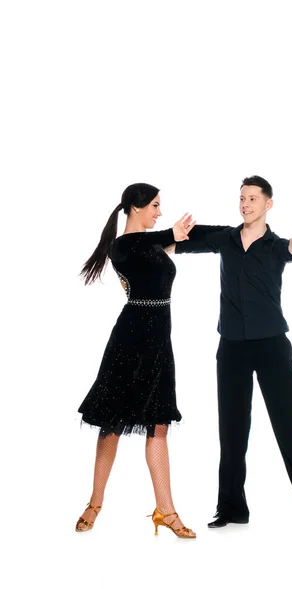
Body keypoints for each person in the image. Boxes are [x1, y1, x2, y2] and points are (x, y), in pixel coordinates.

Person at [172, 175, 292, 530]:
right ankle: (231, 509)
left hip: (272, 346)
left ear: (268, 204)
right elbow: (179, 244)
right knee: (232, 430)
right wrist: (148, 244)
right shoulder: (225, 237)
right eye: (242, 198)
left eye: (252, 199)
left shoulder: (274, 246)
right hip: (232, 348)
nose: (245, 204)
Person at [75, 182, 197, 538]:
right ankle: (94, 503)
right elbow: (136, 243)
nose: (160, 212)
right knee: (111, 423)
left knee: (158, 424)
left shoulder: (154, 243)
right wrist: (168, 235)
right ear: (136, 207)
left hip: (160, 342)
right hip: (130, 342)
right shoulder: (123, 246)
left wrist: (234, 235)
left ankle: (167, 511)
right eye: (155, 205)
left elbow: (183, 239)